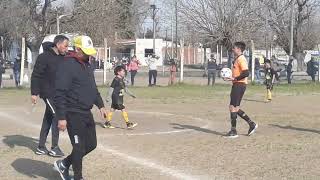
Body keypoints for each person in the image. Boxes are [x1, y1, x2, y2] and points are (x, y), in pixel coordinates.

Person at [53, 35, 108, 180]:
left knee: (91, 144)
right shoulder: (67, 65)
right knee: (78, 147)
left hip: (86, 112)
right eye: (85, 51)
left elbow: (92, 88)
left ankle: (64, 164)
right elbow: (59, 93)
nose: (88, 55)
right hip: (72, 112)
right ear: (77, 49)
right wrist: (62, 117)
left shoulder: (87, 65)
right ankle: (78, 177)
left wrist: (100, 105)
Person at [31, 36, 69, 157]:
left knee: (48, 118)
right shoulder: (44, 57)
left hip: (58, 94)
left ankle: (41, 147)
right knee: (58, 116)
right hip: (48, 93)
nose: (67, 49)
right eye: (65, 45)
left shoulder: (63, 58)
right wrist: (34, 93)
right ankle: (54, 148)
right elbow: (36, 75)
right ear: (58, 44)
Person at [224, 42, 258, 138]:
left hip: (239, 85)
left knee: (232, 107)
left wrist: (235, 79)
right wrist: (231, 77)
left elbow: (246, 73)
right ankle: (252, 124)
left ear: (239, 49)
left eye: (234, 48)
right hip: (238, 84)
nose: (233, 49)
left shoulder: (241, 59)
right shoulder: (238, 59)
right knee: (236, 108)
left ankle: (233, 131)